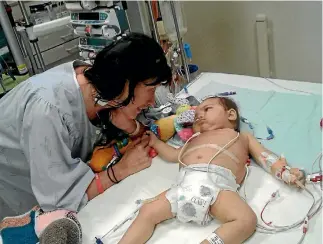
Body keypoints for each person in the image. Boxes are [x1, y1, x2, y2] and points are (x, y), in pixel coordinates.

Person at [0, 32, 172, 220]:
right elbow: (59, 201)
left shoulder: (106, 91)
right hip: (14, 181)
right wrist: (119, 171)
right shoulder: (48, 111)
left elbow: (152, 122)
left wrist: (132, 127)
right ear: (125, 83)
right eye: (150, 90)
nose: (151, 100)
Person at [119, 96, 305, 244]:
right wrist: (155, 142)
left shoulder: (241, 137)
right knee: (147, 212)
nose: (198, 115)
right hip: (182, 186)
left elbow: (265, 158)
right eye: (197, 113)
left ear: (231, 115)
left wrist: (285, 172)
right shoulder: (194, 139)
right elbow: (173, 155)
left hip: (218, 186)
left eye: (207, 109)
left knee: (246, 220)